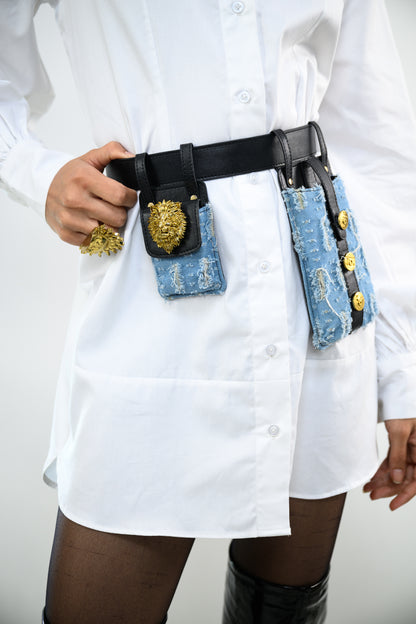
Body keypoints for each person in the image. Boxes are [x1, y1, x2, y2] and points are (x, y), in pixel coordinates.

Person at [1, 1, 416, 623]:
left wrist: (401, 370)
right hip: (149, 314)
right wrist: (37, 174)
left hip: (317, 320)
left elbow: (376, 149)